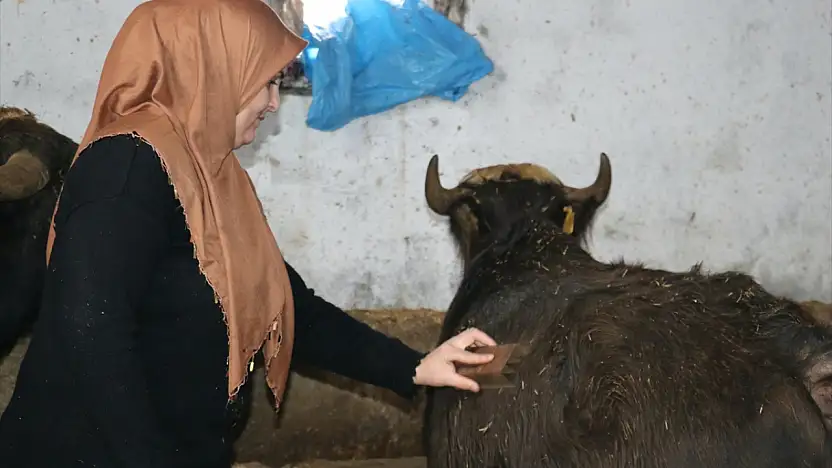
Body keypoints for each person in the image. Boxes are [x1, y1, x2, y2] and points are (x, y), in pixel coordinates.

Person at [0, 1, 497, 467]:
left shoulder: (209, 170)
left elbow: (284, 302)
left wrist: (412, 366)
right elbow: (92, 334)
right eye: (265, 83)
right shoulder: (125, 167)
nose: (274, 103)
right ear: (213, 73)